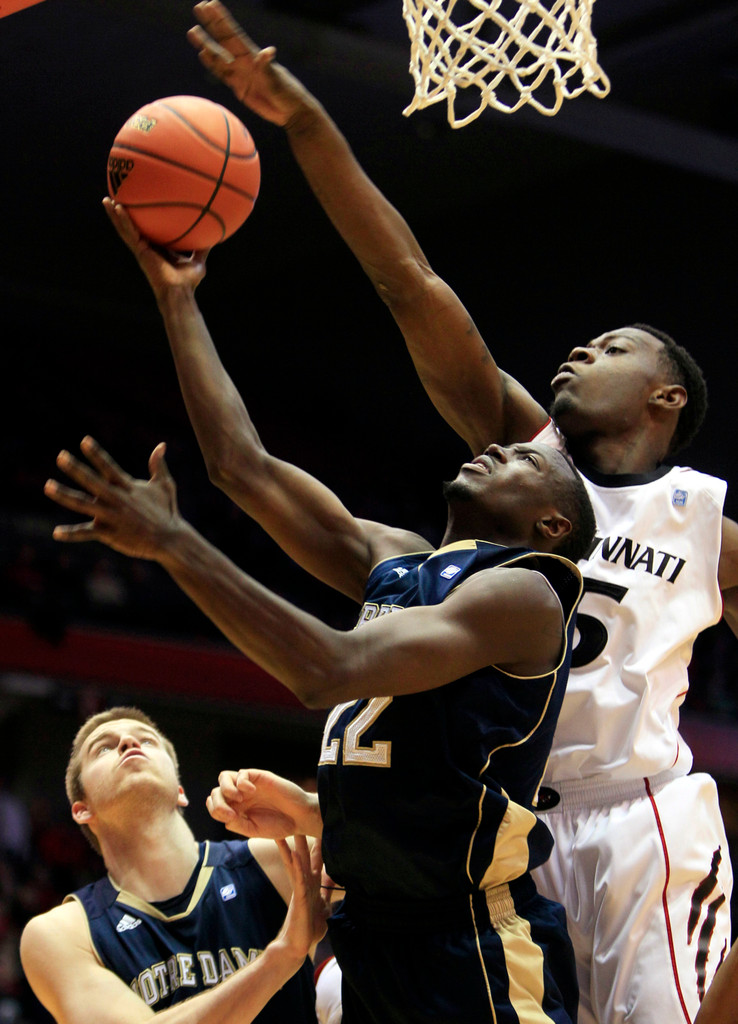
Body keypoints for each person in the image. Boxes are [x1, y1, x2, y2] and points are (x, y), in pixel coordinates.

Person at [184, 5, 738, 1022]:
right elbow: (407, 281)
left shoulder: (708, 520)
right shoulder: (526, 455)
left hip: (636, 822)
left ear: (668, 399)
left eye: (614, 347)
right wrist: (305, 121)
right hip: (500, 833)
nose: (579, 351)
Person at [42, 355, 595, 1024]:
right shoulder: (394, 561)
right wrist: (176, 291)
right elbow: (238, 464)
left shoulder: (526, 591)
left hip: (466, 935)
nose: (500, 449)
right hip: (374, 932)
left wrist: (174, 544)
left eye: (526, 463)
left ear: (552, 526)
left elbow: (327, 670)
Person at [19, 705, 325, 1024]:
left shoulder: (275, 860)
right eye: (105, 748)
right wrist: (282, 957)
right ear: (82, 810)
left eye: (147, 740)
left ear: (180, 791)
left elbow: (376, 848)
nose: (128, 742)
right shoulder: (63, 932)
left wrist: (308, 812)